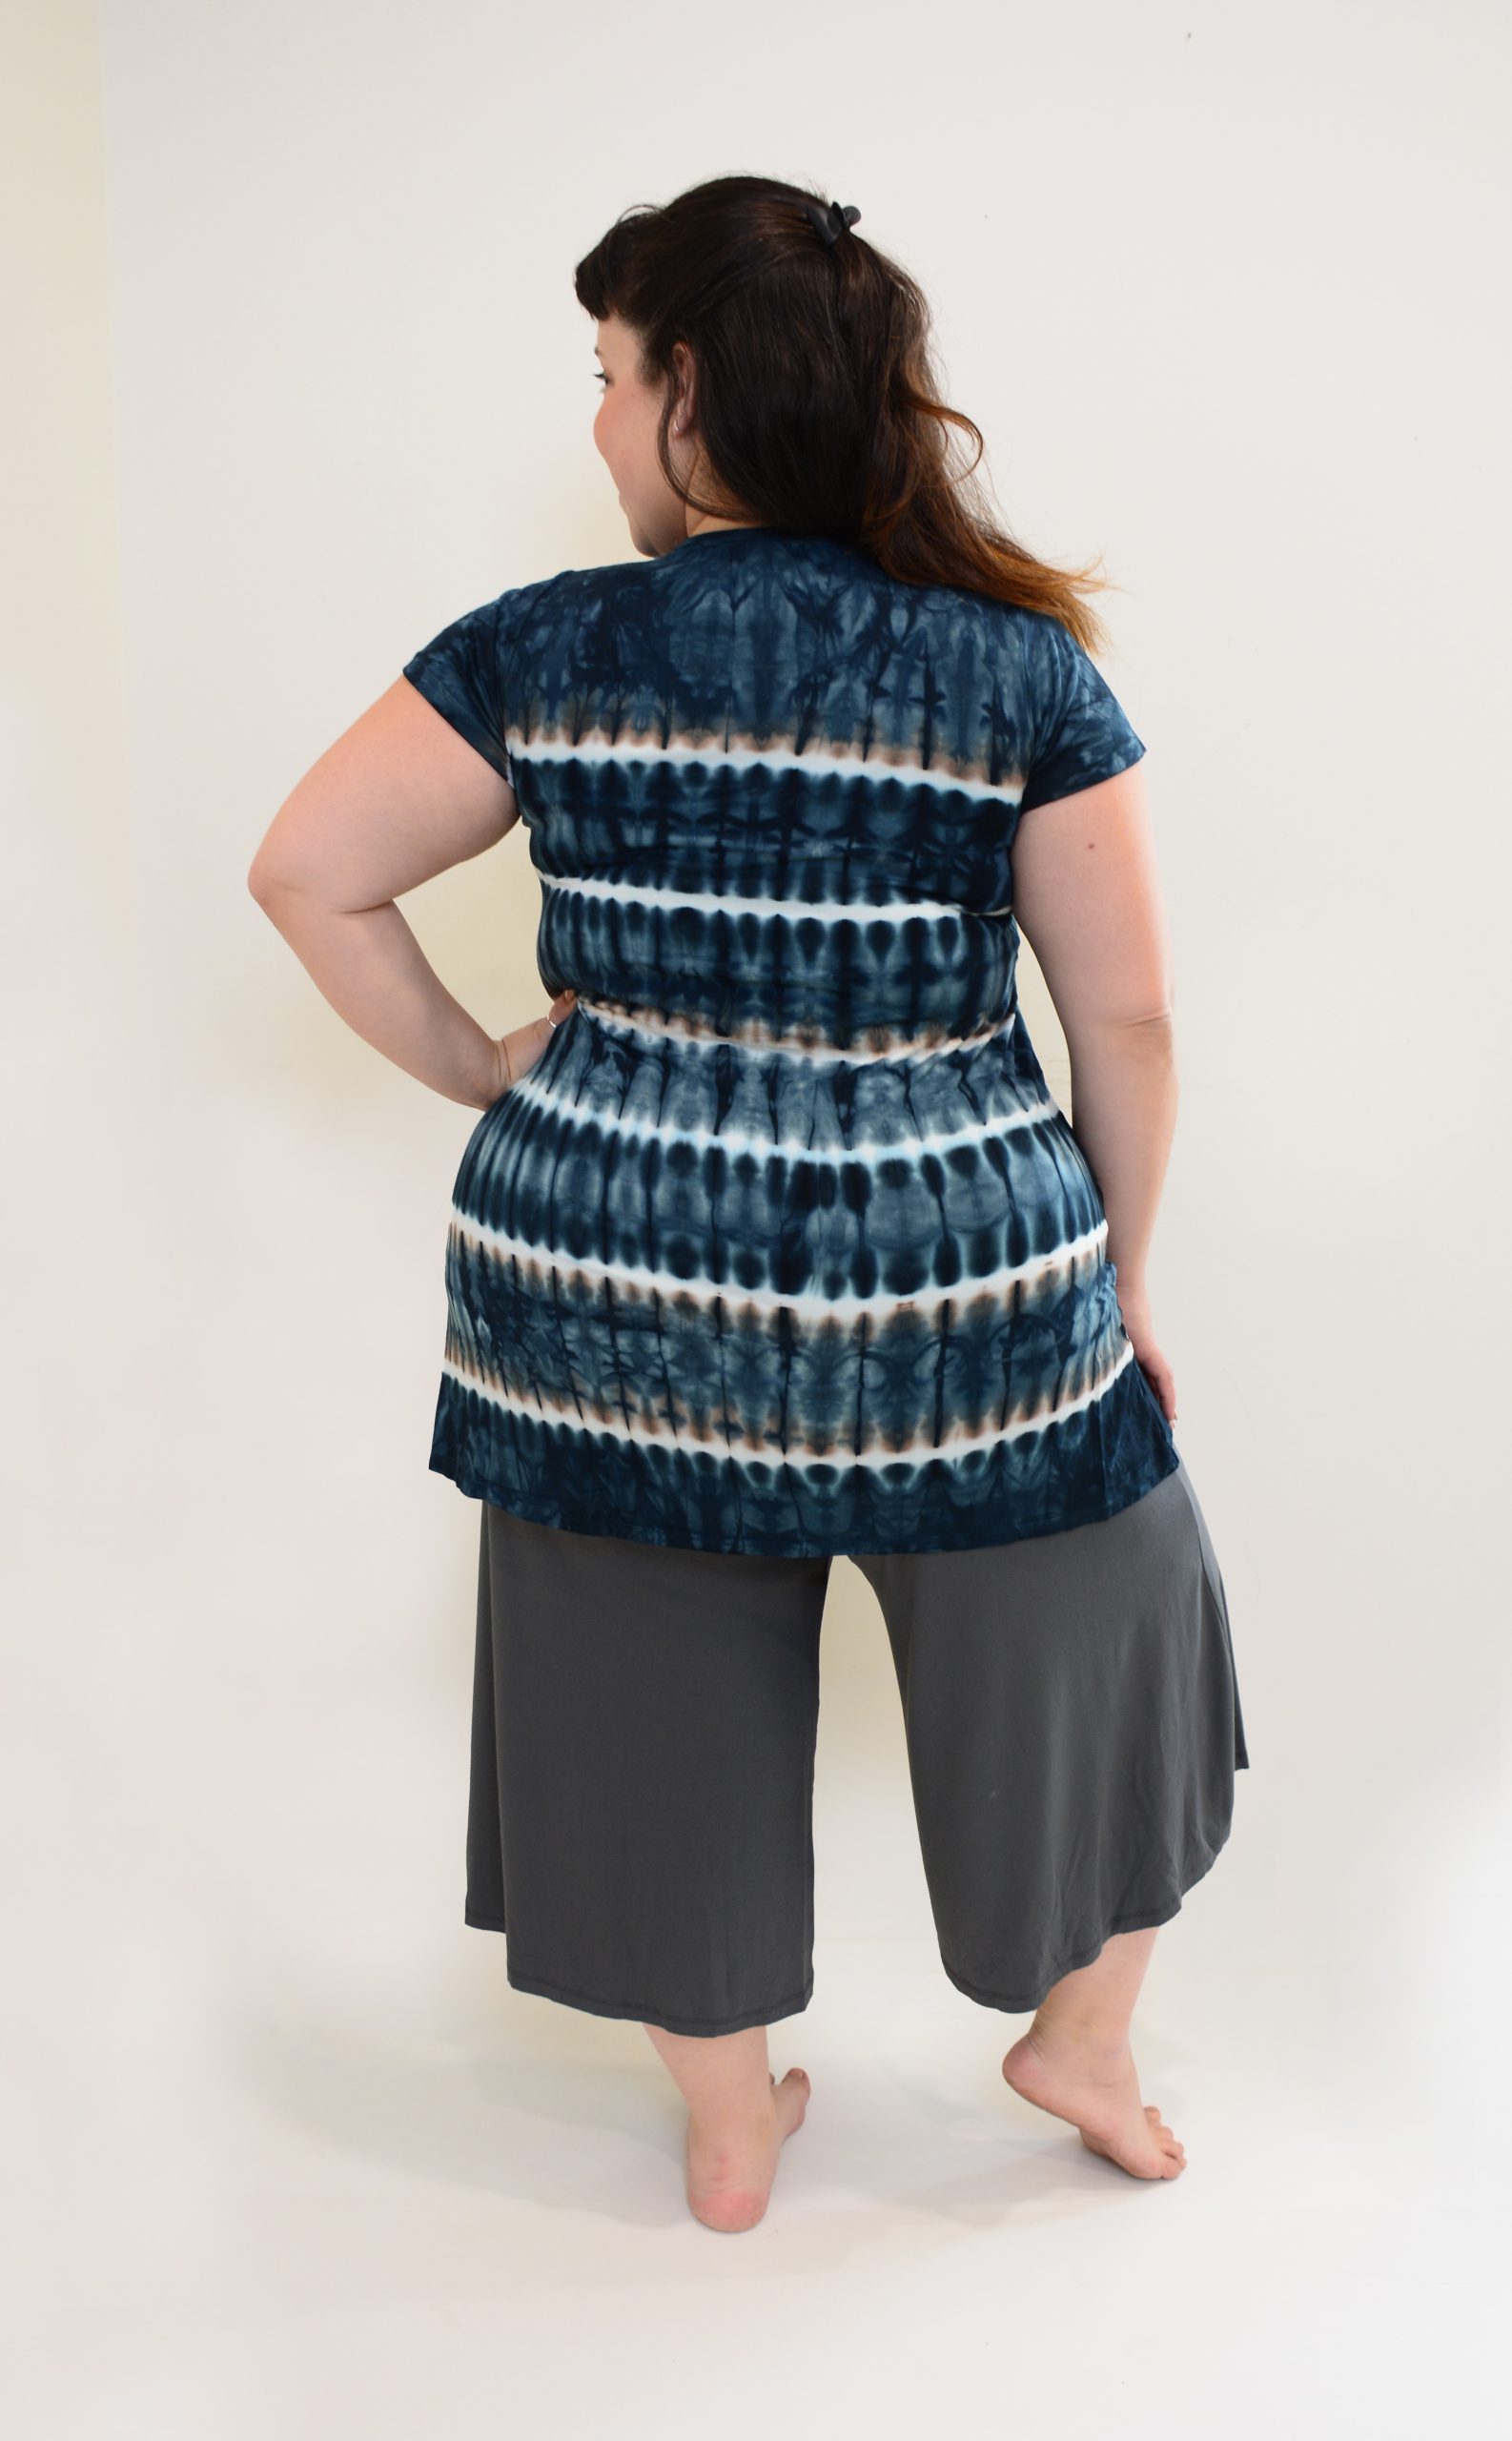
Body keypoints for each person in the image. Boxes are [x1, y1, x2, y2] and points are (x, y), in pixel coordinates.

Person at [248, 175, 1249, 2234]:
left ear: (691, 390)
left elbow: (308, 872)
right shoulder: (1016, 670)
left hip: (603, 1286)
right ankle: (1079, 2038)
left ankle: (725, 2126)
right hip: (961, 1296)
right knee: (1117, 1634)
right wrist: (1124, 1283)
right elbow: (1127, 1018)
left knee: (640, 1707)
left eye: (611, 375)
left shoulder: (540, 647)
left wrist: (488, 1067)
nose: (600, 421)